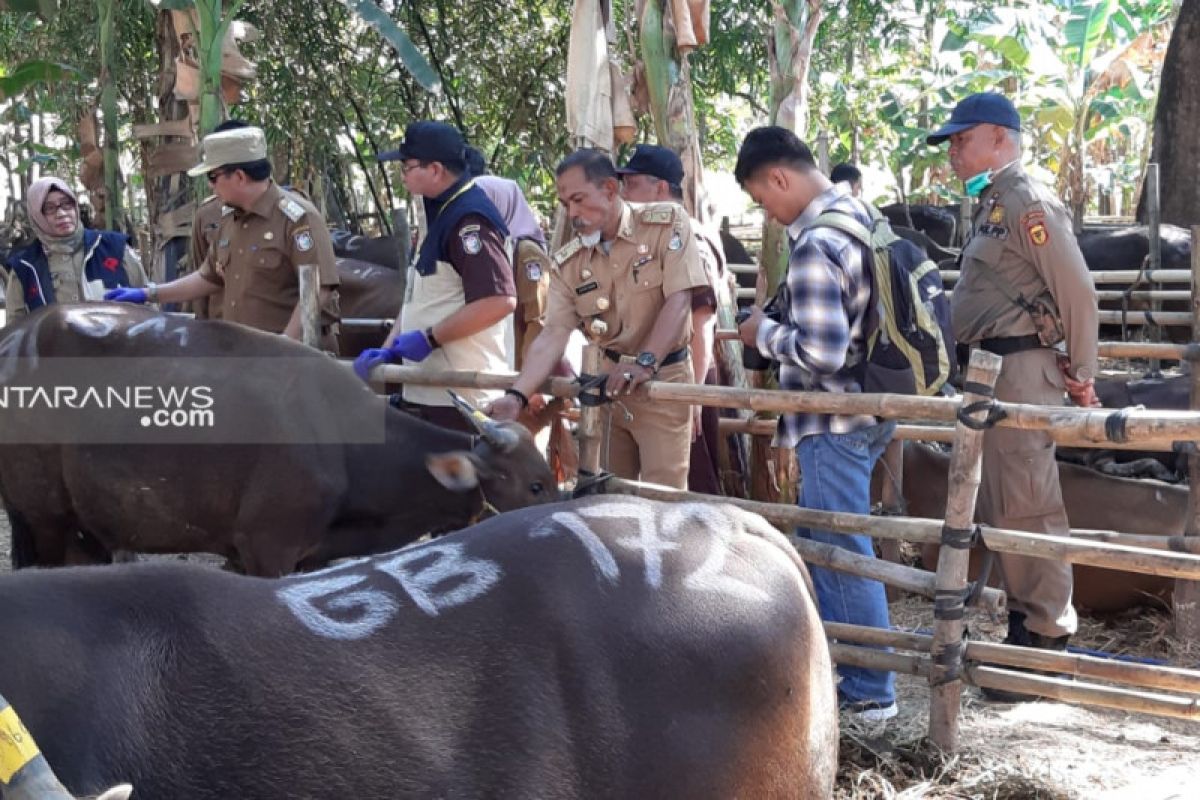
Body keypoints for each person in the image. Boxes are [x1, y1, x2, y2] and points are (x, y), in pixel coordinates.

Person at [926, 92, 1098, 699]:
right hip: (996, 368)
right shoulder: (995, 202)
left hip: (1023, 367)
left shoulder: (1025, 200)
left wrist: (1081, 371)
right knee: (1008, 501)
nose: (953, 152)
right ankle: (1028, 628)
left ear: (999, 137)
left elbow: (1076, 290)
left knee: (1029, 502)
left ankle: (1048, 639)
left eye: (961, 139)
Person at [734, 127, 897, 722]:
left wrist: (761, 334)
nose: (767, 214)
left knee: (839, 549)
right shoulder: (865, 219)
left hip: (832, 416)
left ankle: (868, 694)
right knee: (840, 543)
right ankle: (858, 679)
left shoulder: (814, 245)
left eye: (761, 200)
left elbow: (823, 351)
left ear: (779, 177)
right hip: (872, 407)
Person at [489, 149, 710, 490]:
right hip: (608, 387)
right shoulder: (568, 262)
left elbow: (679, 300)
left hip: (662, 381)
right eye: (566, 205)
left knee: (663, 498)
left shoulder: (665, 225)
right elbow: (553, 335)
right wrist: (516, 396)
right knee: (609, 495)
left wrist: (644, 363)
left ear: (609, 189)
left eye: (578, 200)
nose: (573, 214)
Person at [105, 125, 341, 349]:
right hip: (240, 353)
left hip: (289, 359)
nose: (210, 186)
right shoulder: (229, 219)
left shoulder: (297, 219)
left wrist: (284, 345)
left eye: (213, 177)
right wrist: (149, 293)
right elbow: (208, 277)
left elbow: (317, 290)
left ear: (239, 176)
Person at [354, 122, 515, 433]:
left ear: (436, 169)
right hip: (429, 389)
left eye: (407, 166)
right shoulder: (439, 213)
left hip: (462, 394)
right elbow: (422, 296)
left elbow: (499, 300)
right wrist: (389, 350)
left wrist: (431, 338)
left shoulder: (470, 219)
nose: (401, 174)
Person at [616, 143, 726, 495]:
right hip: (654, 371)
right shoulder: (649, 235)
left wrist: (689, 395)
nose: (625, 193)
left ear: (660, 188)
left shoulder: (688, 235)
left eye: (632, 184)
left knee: (679, 496)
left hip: (685, 370)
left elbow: (702, 322)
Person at [4, 177, 148, 317]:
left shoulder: (115, 247)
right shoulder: (25, 268)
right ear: (37, 216)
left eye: (67, 204)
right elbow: (17, 332)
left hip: (120, 340)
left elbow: (148, 307)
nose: (61, 213)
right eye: (49, 208)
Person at [464, 146, 552, 370]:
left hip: (522, 371)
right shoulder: (491, 249)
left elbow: (539, 320)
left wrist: (528, 381)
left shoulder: (526, 254)